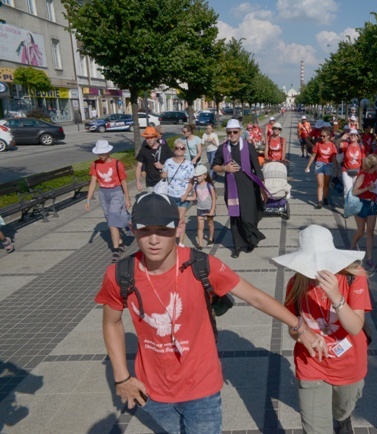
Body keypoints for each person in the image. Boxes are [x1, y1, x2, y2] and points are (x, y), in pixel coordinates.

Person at [95, 193, 325, 434]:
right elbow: (111, 323)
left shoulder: (201, 265)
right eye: (145, 230)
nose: (153, 240)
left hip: (201, 388)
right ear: (132, 229)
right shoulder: (120, 274)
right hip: (153, 390)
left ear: (178, 228)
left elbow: (255, 297)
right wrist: (121, 377)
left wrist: (302, 328)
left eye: (163, 230)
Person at [271, 225, 370, 434]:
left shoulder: (354, 276)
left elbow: (355, 327)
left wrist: (336, 297)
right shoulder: (295, 284)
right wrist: (304, 336)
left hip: (350, 363)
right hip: (311, 364)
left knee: (343, 409)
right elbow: (292, 328)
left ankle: (343, 419)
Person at [212, 119, 266, 258]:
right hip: (232, 189)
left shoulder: (248, 147)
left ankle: (251, 240)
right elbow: (214, 166)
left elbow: (257, 168)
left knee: (248, 218)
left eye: (235, 132)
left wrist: (262, 188)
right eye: (229, 132)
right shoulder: (222, 148)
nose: (232, 135)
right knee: (235, 218)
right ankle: (237, 247)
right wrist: (225, 168)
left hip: (248, 188)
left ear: (240, 132)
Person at [85, 140, 131, 263]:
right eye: (99, 154)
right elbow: (93, 182)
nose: (101, 156)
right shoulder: (95, 164)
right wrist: (88, 199)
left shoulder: (117, 164)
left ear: (108, 152)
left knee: (112, 223)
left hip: (116, 192)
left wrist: (127, 198)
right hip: (103, 194)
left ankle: (115, 251)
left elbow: (123, 182)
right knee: (111, 220)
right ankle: (120, 242)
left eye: (103, 153)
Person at [351, 154, 377, 273]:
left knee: (370, 232)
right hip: (362, 204)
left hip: (372, 204)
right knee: (361, 232)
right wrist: (367, 188)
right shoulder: (362, 174)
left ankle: (369, 258)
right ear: (374, 165)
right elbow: (354, 191)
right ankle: (352, 246)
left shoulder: (375, 174)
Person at [162, 139, 195, 247]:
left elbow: (191, 181)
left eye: (182, 148)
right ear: (174, 149)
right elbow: (163, 175)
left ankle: (180, 242)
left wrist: (185, 194)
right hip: (170, 194)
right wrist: (162, 175)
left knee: (181, 218)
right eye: (177, 148)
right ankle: (173, 239)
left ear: (185, 150)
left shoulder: (189, 164)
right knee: (172, 218)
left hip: (183, 195)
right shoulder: (168, 162)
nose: (179, 150)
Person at [306, 127, 338, 209]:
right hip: (319, 164)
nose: (322, 138)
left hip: (329, 165)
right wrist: (308, 166)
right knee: (320, 184)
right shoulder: (318, 144)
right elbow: (313, 156)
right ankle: (319, 201)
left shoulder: (332, 145)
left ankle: (325, 198)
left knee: (326, 184)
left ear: (328, 136)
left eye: (324, 136)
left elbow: (334, 158)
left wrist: (336, 170)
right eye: (321, 136)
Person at [136, 126, 173, 193]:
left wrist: (162, 166)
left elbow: (173, 163)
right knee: (152, 202)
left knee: (163, 202)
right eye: (147, 138)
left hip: (163, 181)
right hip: (150, 183)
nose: (149, 140)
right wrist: (138, 181)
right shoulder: (143, 150)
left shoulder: (164, 148)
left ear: (156, 138)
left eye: (151, 137)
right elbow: (139, 166)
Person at [189, 165, 216, 250]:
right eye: (196, 176)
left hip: (209, 208)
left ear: (205, 176)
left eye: (200, 175)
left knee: (210, 223)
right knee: (200, 227)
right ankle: (200, 244)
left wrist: (212, 210)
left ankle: (211, 238)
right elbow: (194, 197)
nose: (198, 177)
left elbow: (214, 198)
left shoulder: (209, 185)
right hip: (200, 208)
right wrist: (185, 197)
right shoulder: (196, 186)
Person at [339, 128, 365, 197]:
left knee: (355, 190)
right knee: (348, 189)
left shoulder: (361, 146)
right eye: (351, 135)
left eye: (354, 135)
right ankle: (347, 207)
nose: (353, 136)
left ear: (357, 137)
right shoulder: (346, 145)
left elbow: (363, 159)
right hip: (346, 171)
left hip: (357, 171)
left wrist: (364, 170)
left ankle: (353, 206)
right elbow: (337, 144)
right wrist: (341, 139)